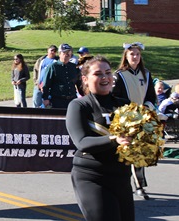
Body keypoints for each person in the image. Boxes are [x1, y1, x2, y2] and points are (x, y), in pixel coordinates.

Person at [66, 55, 134, 221]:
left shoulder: (125, 104)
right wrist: (114, 139)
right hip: (92, 177)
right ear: (86, 79)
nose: (105, 77)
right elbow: (82, 142)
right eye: (98, 74)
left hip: (121, 176)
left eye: (108, 72)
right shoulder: (79, 105)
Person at [112, 42, 156, 200]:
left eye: (137, 54)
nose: (135, 57)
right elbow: (114, 97)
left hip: (143, 118)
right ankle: (127, 184)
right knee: (126, 153)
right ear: (126, 56)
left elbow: (151, 96)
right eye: (132, 54)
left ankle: (139, 185)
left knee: (140, 152)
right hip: (126, 119)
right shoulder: (119, 75)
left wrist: (146, 107)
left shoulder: (146, 74)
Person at [42, 43, 81, 109]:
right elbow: (46, 85)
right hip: (57, 101)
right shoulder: (53, 67)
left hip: (72, 100)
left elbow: (79, 84)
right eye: (65, 52)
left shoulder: (73, 67)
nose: (67, 54)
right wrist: (45, 98)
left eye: (69, 52)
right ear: (60, 54)